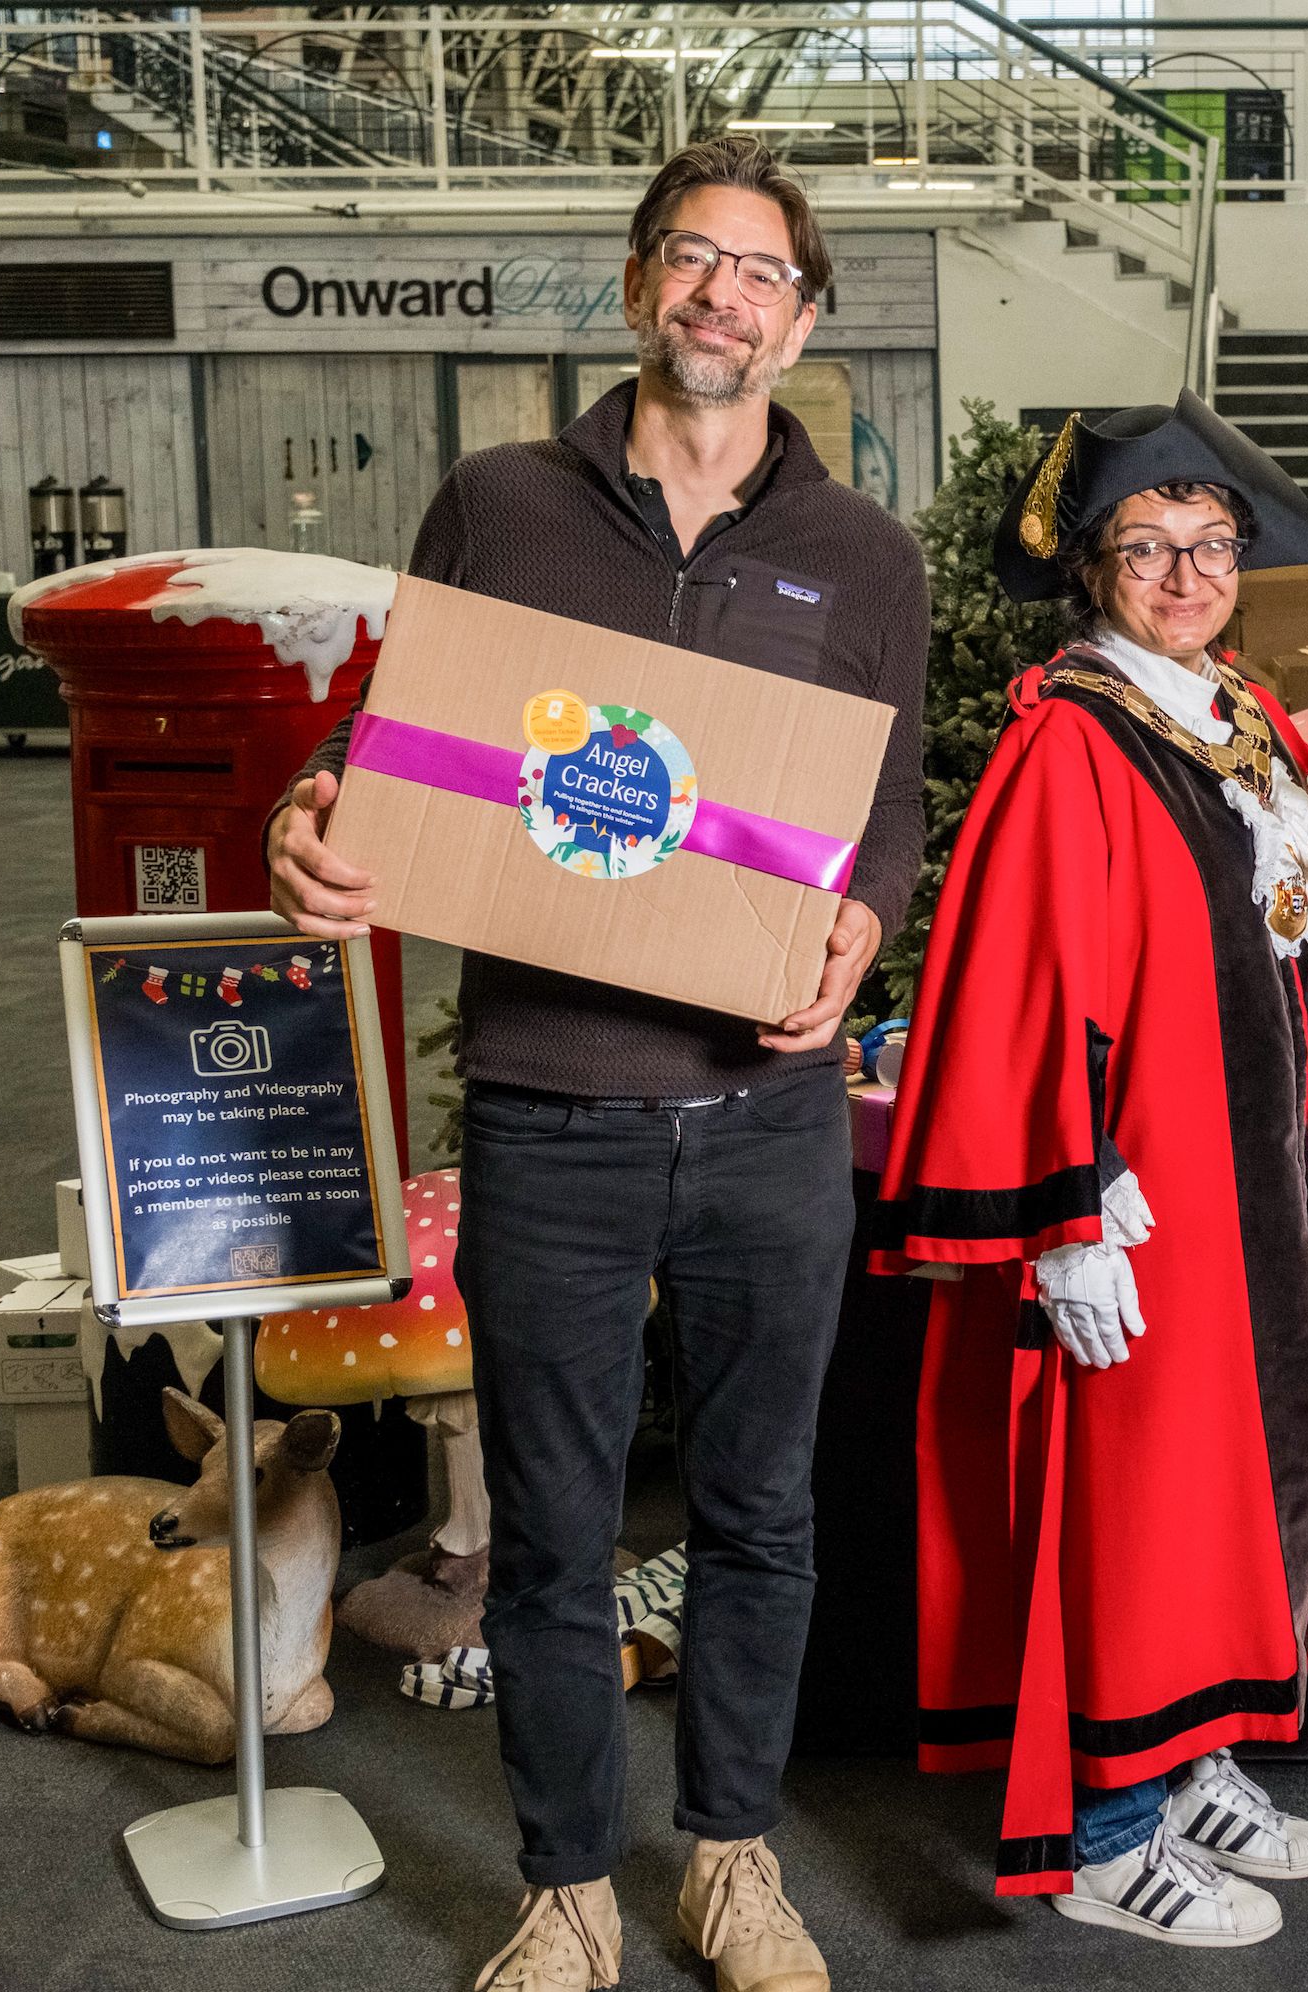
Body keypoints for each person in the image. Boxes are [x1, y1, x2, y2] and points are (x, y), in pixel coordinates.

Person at [266, 137, 928, 1992]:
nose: (725, 295)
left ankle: (733, 1859)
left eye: (762, 273)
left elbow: (884, 814)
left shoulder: (863, 558)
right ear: (641, 285)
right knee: (552, 1532)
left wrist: (864, 926)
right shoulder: (501, 505)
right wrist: (303, 817)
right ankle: (564, 1888)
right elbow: (380, 744)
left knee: (758, 1514)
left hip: (766, 1117)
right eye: (691, 259)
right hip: (552, 1105)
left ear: (801, 323)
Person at [869, 395, 1308, 1948]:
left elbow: (1294, 918)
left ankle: (1188, 1758)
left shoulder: (1236, 711)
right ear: (1094, 569)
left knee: (1220, 1484)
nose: (1187, 573)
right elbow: (1017, 975)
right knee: (1134, 1495)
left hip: (1265, 1167)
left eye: (1210, 545)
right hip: (1146, 1190)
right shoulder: (1069, 736)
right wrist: (1063, 1202)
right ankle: (1105, 1831)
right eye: (1148, 548)